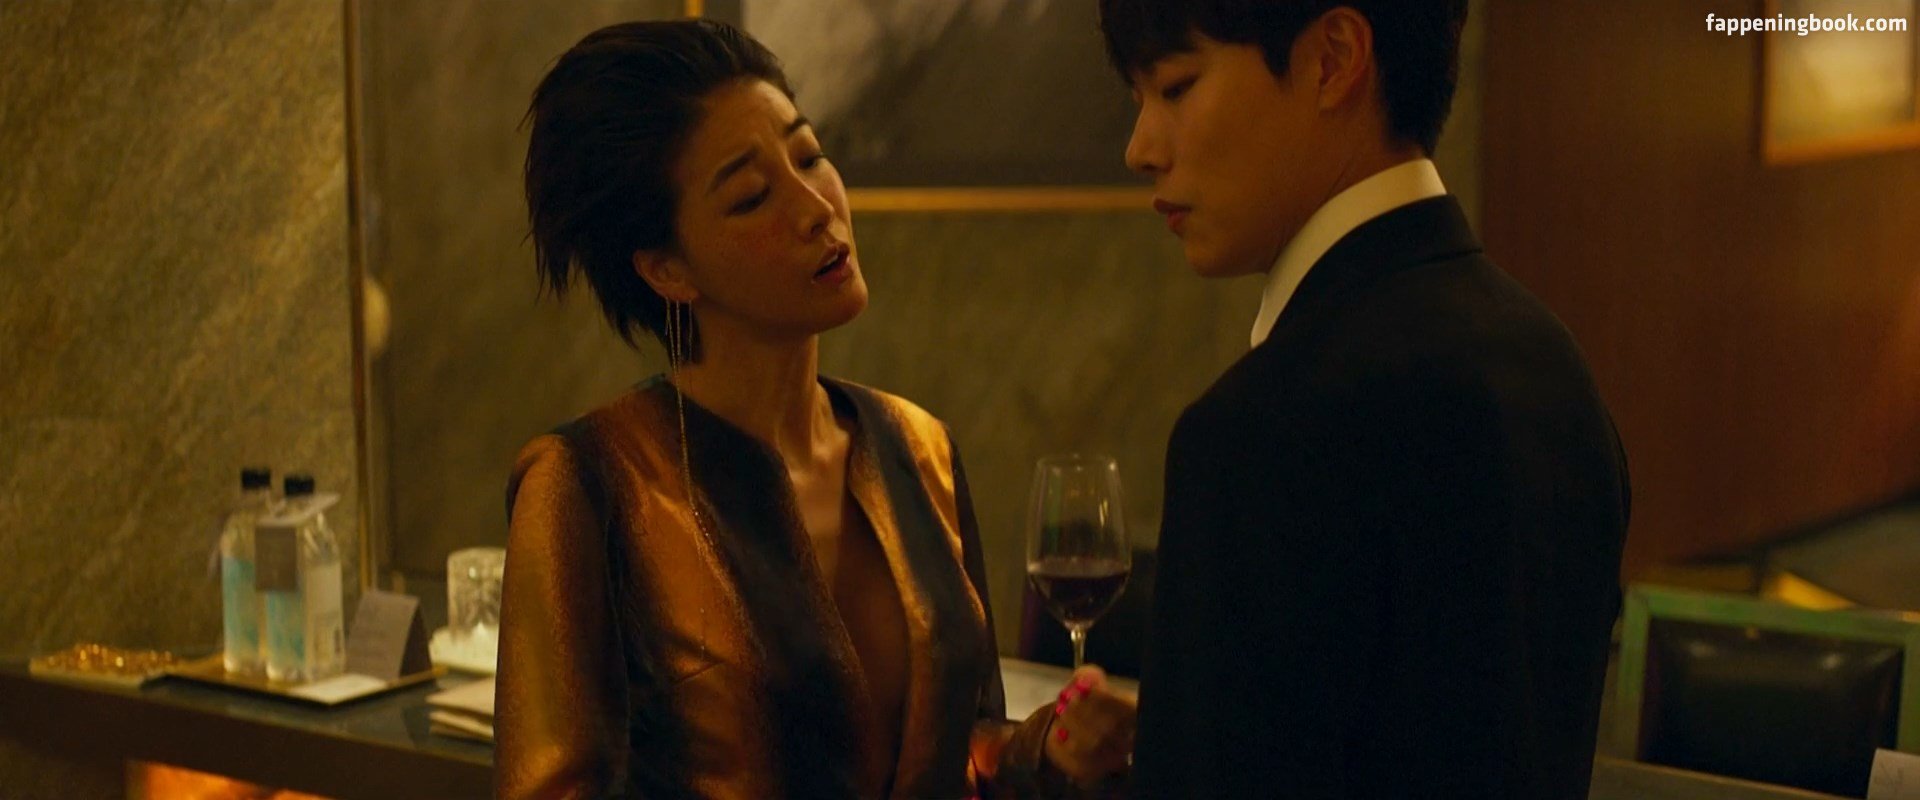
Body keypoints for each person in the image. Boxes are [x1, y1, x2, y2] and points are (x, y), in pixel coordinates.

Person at [495, 19, 1132, 799]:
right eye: (751, 197)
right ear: (667, 270)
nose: (814, 208)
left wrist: (1052, 749)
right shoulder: (592, 484)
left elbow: (966, 744)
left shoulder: (916, 445)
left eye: (809, 156)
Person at [1097, 1, 1631, 797]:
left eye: (1176, 86)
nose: (1140, 148)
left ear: (1334, 58)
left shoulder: (1262, 428)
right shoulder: (1550, 363)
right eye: (1138, 99)